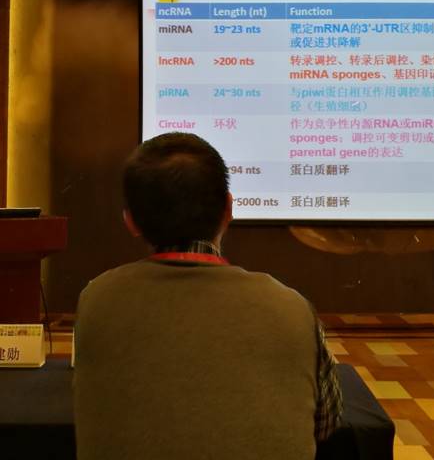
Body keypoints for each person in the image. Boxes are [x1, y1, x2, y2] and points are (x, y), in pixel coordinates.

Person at [73, 132, 342, 460]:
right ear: (229, 207)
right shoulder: (292, 308)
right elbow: (327, 423)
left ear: (130, 221)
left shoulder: (96, 300)